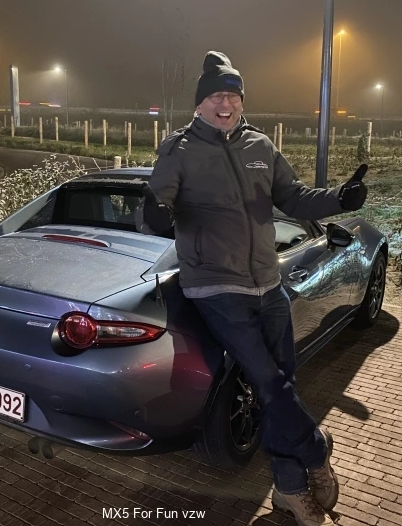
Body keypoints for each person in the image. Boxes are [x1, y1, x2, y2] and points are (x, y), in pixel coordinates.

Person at [138, 51, 368, 526]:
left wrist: (339, 199)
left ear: (241, 101)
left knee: (280, 384)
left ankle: (289, 488)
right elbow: (157, 206)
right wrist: (156, 213)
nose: (225, 104)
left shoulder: (261, 144)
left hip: (268, 281)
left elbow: (293, 196)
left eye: (233, 96)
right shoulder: (179, 149)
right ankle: (316, 448)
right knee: (268, 380)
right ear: (200, 103)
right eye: (216, 96)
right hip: (216, 287)